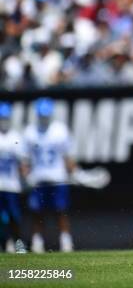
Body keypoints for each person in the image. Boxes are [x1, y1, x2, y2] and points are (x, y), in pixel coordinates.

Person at [24, 98, 75, 253]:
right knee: (37, 213)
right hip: (38, 179)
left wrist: (73, 170)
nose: (44, 118)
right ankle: (37, 243)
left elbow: (68, 156)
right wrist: (26, 176)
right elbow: (25, 160)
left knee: (61, 211)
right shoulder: (30, 132)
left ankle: (66, 242)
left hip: (58, 179)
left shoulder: (60, 130)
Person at [0, 102, 27, 253]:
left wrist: (25, 176)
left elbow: (23, 162)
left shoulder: (16, 137)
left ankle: (19, 246)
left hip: (12, 185)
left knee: (14, 217)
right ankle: (4, 244)